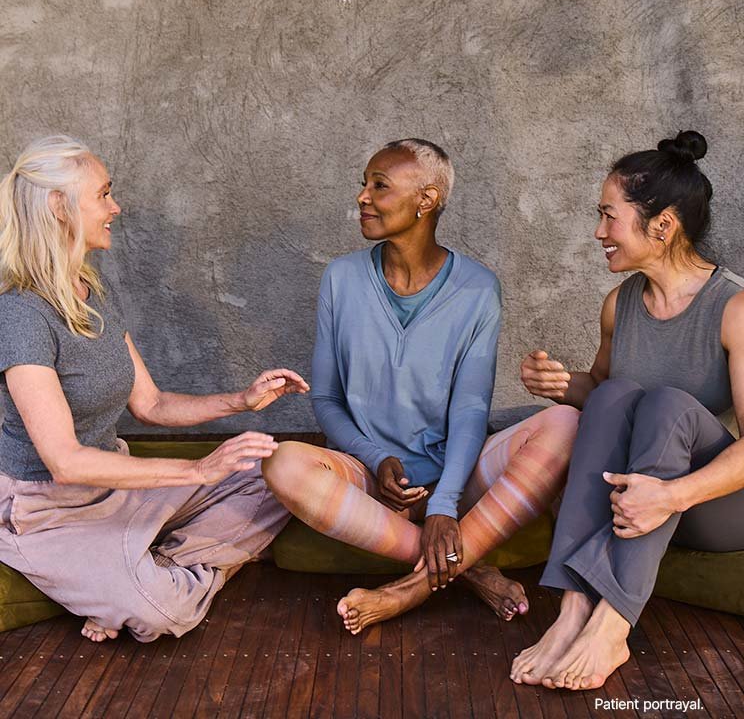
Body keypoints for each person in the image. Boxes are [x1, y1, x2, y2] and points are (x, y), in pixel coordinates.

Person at [261, 138, 579, 634]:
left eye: (379, 186)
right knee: (281, 462)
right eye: (363, 185)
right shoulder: (340, 279)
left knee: (565, 421)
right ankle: (469, 569)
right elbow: (325, 398)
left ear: (426, 200)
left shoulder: (477, 288)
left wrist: (445, 502)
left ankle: (410, 588)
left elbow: (471, 409)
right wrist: (373, 456)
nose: (363, 197)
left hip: (457, 474)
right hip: (369, 478)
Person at [0, 135, 309, 643]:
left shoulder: (90, 290)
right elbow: (66, 462)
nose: (115, 207)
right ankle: (151, 577)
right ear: (58, 206)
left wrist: (240, 401)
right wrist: (196, 469)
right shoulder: (20, 315)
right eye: (103, 194)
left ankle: (148, 564)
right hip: (48, 510)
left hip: (116, 488)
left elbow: (151, 403)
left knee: (272, 475)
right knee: (166, 612)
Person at [510, 130, 744, 690]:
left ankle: (612, 625)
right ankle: (570, 615)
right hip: (636, 503)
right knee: (616, 395)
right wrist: (563, 385)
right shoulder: (620, 305)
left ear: (661, 226)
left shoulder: (733, 308)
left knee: (667, 405)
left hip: (711, 505)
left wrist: (671, 494)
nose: (599, 232)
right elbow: (601, 398)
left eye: (609, 217)